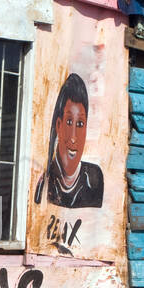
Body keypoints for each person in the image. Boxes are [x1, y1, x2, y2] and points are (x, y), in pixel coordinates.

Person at [34, 73, 104, 209]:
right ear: (59, 125)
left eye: (80, 125)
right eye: (69, 121)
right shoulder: (45, 186)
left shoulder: (94, 179)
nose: (73, 138)